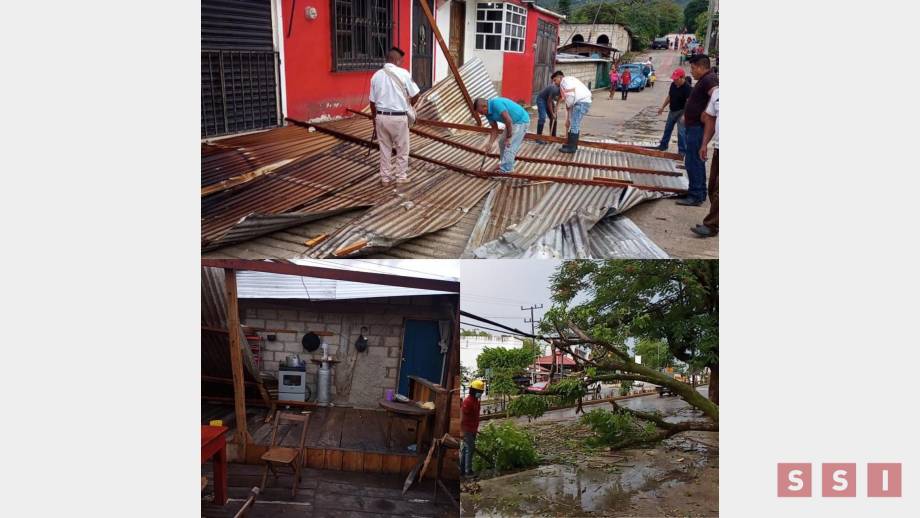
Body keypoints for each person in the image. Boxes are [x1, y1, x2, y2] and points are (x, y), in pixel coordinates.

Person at [368, 47, 421, 185]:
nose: (401, 63)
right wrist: (409, 106)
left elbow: (372, 102)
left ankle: (385, 178)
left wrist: (375, 120)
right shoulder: (403, 73)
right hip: (398, 118)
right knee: (402, 149)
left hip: (381, 117)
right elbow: (416, 95)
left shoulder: (376, 76)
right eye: (401, 61)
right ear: (396, 60)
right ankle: (400, 177)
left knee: (384, 149)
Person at [676, 53, 718, 206]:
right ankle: (697, 191)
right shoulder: (704, 79)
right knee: (694, 161)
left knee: (694, 161)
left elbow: (717, 98)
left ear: (701, 67)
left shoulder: (709, 79)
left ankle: (696, 195)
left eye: (693, 68)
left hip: (698, 129)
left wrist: (707, 111)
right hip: (693, 126)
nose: (691, 71)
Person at [475, 97, 530, 173]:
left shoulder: (496, 104)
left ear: (485, 106)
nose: (481, 114)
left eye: (481, 112)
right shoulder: (487, 113)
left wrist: (509, 137)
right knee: (501, 142)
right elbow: (494, 129)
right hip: (510, 123)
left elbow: (508, 120)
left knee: (509, 145)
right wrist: (490, 143)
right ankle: (504, 163)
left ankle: (506, 170)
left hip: (520, 121)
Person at [692, 86, 719, 237]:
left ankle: (711, 225)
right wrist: (704, 144)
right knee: (712, 187)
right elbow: (710, 119)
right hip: (718, 149)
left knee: (719, 191)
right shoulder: (717, 93)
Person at [552, 71, 593, 153]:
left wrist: (568, 105)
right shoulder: (570, 79)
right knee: (575, 124)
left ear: (560, 77)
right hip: (583, 101)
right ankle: (572, 145)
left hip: (581, 103)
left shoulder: (564, 82)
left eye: (555, 80)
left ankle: (572, 148)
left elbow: (570, 95)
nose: (554, 83)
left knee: (574, 125)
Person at [656, 68, 692, 155]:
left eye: (676, 79)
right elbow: (669, 97)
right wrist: (662, 107)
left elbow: (689, 102)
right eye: (674, 79)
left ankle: (682, 151)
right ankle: (663, 145)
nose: (674, 80)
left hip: (682, 112)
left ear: (682, 78)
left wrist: (685, 115)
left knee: (681, 132)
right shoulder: (673, 85)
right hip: (672, 111)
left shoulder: (688, 88)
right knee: (667, 129)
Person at [460, 379, 485, 478]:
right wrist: (462, 431)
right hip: (467, 430)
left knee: (466, 449)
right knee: (469, 449)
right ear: (474, 391)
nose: (480, 394)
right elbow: (462, 417)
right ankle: (468, 471)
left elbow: (475, 416)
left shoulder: (476, 401)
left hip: (473, 429)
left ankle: (462, 470)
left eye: (481, 392)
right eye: (479, 392)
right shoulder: (468, 402)